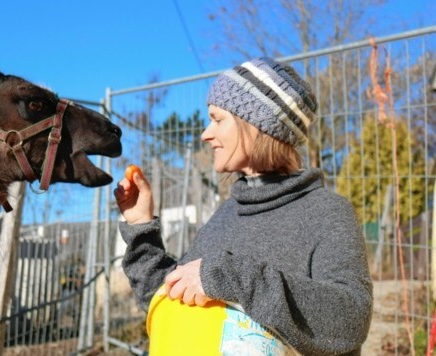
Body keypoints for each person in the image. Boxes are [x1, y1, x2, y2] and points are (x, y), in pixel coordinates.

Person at [114, 57, 373, 355]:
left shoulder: (327, 212)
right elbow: (167, 301)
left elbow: (351, 319)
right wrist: (140, 227)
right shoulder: (227, 212)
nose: (205, 133)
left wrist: (232, 277)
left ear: (256, 124)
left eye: (217, 119)